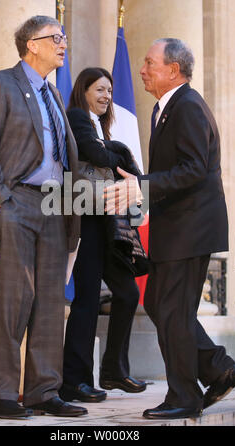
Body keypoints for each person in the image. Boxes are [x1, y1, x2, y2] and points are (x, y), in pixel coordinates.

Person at [104, 38, 235, 420]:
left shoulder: (189, 107)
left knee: (173, 312)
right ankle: (216, 367)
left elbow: (195, 168)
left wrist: (142, 186)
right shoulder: (167, 108)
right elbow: (179, 169)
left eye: (149, 63)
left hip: (189, 229)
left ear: (172, 71)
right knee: (160, 304)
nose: (142, 70)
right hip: (177, 227)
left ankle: (183, 397)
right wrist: (141, 182)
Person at [0, 15, 88, 419]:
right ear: (31, 44)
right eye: (56, 37)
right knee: (15, 299)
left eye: (64, 36)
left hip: (56, 204)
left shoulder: (54, 93)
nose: (63, 43)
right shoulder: (0, 84)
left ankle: (43, 392)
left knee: (52, 301)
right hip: (17, 201)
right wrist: (1, 199)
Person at [59, 67, 147, 403]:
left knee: (126, 293)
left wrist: (116, 153)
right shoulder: (78, 118)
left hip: (109, 222)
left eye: (110, 90)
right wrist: (123, 155)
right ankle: (75, 380)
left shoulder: (101, 127)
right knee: (87, 300)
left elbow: (106, 156)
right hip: (87, 219)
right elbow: (97, 156)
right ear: (83, 90)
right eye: (100, 89)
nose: (107, 95)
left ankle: (114, 370)